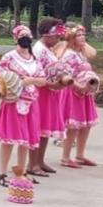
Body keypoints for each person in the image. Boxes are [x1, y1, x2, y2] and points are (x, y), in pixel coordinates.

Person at [0, 25, 47, 188]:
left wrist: (31, 81)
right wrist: (12, 81)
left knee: (25, 140)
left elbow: (43, 80)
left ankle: (21, 171)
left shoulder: (34, 58)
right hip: (13, 101)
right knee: (9, 139)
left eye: (27, 36)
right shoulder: (9, 57)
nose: (25, 39)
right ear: (15, 38)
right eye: (21, 36)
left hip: (31, 101)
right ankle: (2, 172)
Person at [58, 25, 100, 168]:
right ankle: (65, 157)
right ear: (72, 39)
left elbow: (93, 52)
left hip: (85, 93)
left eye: (83, 35)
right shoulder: (69, 54)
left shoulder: (81, 53)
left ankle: (80, 155)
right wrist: (79, 86)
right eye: (78, 35)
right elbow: (65, 75)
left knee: (85, 126)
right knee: (73, 126)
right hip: (73, 91)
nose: (82, 37)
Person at [29, 18, 63, 176]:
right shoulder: (38, 50)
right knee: (37, 128)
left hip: (49, 92)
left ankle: (40, 160)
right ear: (46, 35)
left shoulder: (48, 49)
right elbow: (36, 74)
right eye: (56, 36)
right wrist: (52, 83)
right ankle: (32, 163)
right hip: (40, 92)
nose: (58, 39)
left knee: (45, 128)